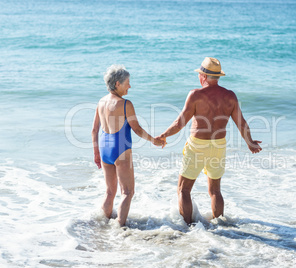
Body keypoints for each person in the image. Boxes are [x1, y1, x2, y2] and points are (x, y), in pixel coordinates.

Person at [157, 57, 262, 225]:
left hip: (197, 145)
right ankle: (219, 227)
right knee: (215, 191)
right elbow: (241, 123)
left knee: (183, 190)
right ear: (218, 76)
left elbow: (179, 123)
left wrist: (163, 135)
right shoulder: (230, 96)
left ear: (203, 76)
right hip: (218, 145)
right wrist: (250, 142)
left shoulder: (195, 95)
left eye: (200, 74)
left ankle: (188, 229)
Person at [92, 64, 165, 226]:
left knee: (110, 192)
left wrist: (96, 153)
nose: (129, 86)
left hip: (104, 148)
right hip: (120, 149)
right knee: (128, 192)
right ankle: (119, 227)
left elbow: (94, 130)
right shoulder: (125, 104)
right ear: (117, 83)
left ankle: (102, 226)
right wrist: (154, 140)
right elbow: (137, 129)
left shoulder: (101, 101)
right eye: (127, 82)